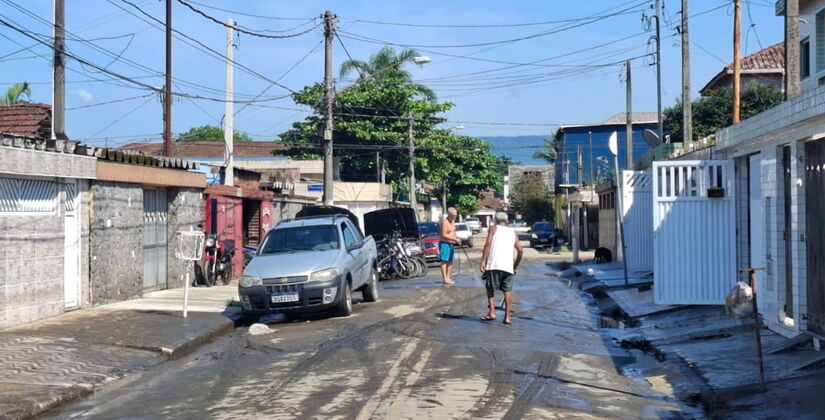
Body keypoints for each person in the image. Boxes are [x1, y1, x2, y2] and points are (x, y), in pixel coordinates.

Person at [479, 212, 523, 325]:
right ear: (506, 220)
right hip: (508, 266)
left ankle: (492, 312)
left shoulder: (493, 229)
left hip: (494, 264)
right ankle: (507, 317)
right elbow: (520, 250)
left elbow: (488, 244)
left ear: (495, 220)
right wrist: (516, 265)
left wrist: (483, 260)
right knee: (507, 291)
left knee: (489, 288)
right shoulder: (512, 232)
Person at [439, 207, 460, 284]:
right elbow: (444, 234)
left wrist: (456, 238)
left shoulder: (453, 221)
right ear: (449, 214)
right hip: (445, 243)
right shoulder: (445, 222)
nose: (454, 217)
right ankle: (444, 278)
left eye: (455, 215)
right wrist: (454, 239)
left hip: (451, 243)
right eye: (453, 215)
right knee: (444, 261)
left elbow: (453, 231)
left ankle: (448, 277)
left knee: (450, 261)